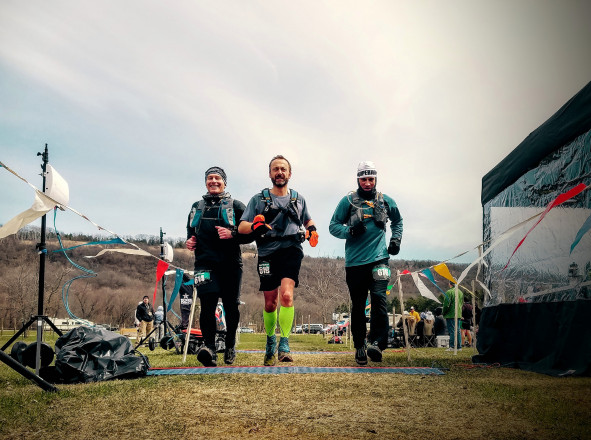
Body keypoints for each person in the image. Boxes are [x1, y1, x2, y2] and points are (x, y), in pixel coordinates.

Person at [238, 155, 318, 366]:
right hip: (266, 252)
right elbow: (242, 227)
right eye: (275, 169)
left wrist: (312, 229)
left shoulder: (299, 199)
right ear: (270, 173)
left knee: (287, 295)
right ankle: (270, 341)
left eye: (283, 169)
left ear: (289, 174)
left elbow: (307, 218)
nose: (279, 172)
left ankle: (285, 343)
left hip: (291, 249)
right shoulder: (258, 200)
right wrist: (255, 226)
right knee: (270, 302)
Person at [329, 161, 403, 365]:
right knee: (359, 305)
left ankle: (377, 343)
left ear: (376, 179)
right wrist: (350, 231)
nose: (368, 183)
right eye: (364, 179)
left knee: (379, 298)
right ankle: (359, 345)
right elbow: (333, 226)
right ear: (358, 180)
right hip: (354, 262)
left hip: (380, 258)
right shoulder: (348, 201)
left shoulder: (386, 200)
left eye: (371, 179)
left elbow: (398, 221)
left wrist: (395, 240)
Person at [186, 166, 252, 367]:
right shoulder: (196, 206)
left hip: (231, 264)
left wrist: (233, 234)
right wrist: (189, 241)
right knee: (207, 306)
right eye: (209, 178)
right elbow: (190, 232)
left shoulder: (237, 206)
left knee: (231, 306)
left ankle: (230, 345)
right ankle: (209, 349)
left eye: (217, 178)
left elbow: (251, 234)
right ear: (205, 182)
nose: (213, 181)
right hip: (205, 263)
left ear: (224, 182)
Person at [442, 281, 464, 351]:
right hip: (458, 313)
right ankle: (459, 347)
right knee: (458, 330)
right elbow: (461, 303)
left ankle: (452, 346)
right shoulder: (460, 292)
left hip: (451, 314)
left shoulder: (449, 292)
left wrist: (444, 312)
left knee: (452, 331)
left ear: (450, 284)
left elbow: (446, 304)